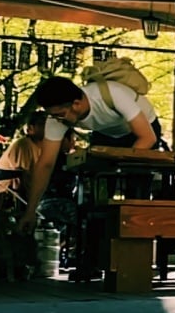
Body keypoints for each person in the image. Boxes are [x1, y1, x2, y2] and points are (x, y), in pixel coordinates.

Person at [16, 75, 165, 234]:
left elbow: (147, 138)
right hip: (107, 133)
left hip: (144, 128)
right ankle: (102, 240)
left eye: (60, 114)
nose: (57, 119)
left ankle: (136, 237)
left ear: (76, 104)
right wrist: (30, 211)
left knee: (135, 187)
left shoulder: (113, 93)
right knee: (99, 191)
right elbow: (45, 164)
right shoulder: (58, 118)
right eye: (53, 115)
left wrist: (120, 168)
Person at [0, 110, 46, 199]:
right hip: (7, 192)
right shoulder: (24, 144)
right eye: (42, 124)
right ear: (31, 128)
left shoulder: (42, 146)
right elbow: (26, 177)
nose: (46, 128)